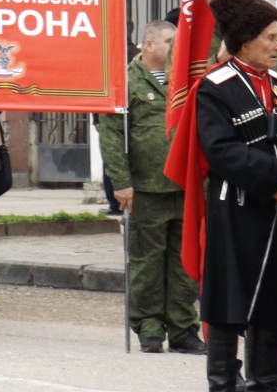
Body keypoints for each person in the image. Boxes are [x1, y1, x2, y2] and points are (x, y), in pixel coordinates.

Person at [196, 0, 277, 392]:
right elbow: (221, 150)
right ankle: (224, 382)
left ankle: (266, 378)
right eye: (270, 37)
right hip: (236, 208)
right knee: (230, 299)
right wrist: (275, 177)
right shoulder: (216, 85)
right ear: (245, 42)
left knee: (271, 297)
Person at [100, 20, 204, 355]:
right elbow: (112, 135)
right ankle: (148, 325)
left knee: (184, 262)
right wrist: (122, 182)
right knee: (147, 262)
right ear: (148, 44)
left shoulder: (187, 81)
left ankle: (183, 328)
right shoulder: (127, 81)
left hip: (185, 185)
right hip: (145, 186)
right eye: (170, 41)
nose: (176, 47)